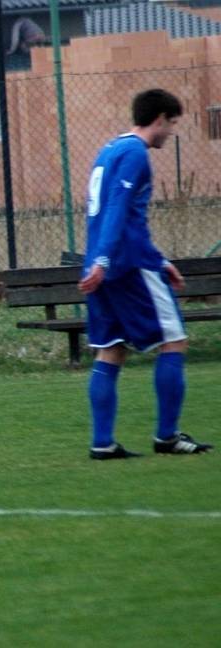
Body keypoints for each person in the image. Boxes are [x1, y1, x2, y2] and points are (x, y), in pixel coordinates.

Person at [78, 88, 213, 459]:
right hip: (126, 267)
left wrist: (107, 260)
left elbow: (113, 213)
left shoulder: (110, 149)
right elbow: (119, 210)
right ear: (159, 119)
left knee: (110, 350)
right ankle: (167, 436)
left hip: (103, 266)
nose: (171, 132)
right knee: (174, 341)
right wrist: (108, 260)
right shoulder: (136, 154)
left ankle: (102, 442)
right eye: (172, 124)